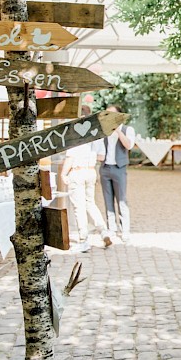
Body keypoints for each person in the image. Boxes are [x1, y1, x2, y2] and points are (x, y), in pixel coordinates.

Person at [61, 107, 112, 252]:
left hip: (77, 172)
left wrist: (63, 174)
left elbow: (70, 157)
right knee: (90, 203)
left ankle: (84, 240)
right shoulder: (97, 134)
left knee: (79, 207)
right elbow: (102, 157)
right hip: (91, 171)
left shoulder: (76, 133)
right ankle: (103, 232)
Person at [98, 104, 136, 243]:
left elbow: (129, 145)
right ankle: (112, 228)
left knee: (121, 200)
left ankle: (125, 230)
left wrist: (118, 131)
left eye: (112, 114)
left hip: (119, 168)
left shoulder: (127, 129)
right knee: (108, 200)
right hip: (105, 168)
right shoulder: (103, 130)